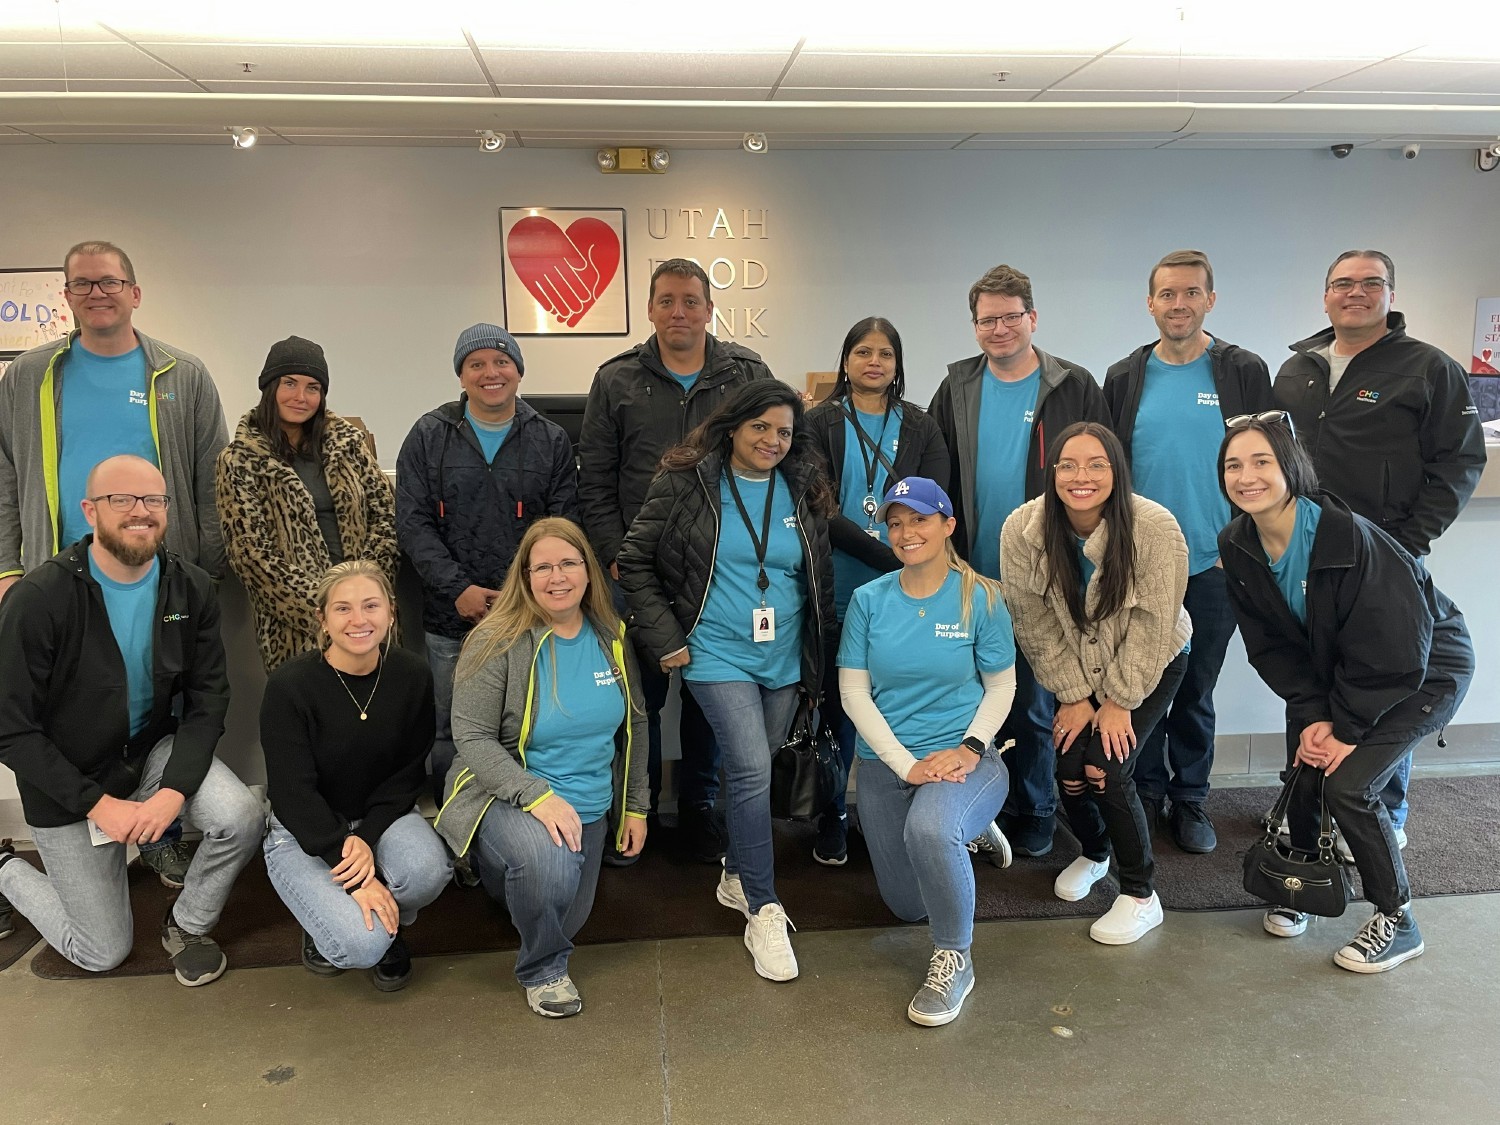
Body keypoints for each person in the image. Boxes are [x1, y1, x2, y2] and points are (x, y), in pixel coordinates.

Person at [0, 239, 230, 889]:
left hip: (158, 578)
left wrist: (204, 570)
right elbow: (5, 473)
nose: (96, 293)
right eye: (82, 284)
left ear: (135, 292)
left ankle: (162, 836)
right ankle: (86, 834)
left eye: (109, 282)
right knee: (67, 715)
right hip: (59, 580)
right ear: (66, 297)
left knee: (162, 709)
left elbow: (213, 482)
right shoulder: (28, 376)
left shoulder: (182, 374)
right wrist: (7, 568)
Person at [1217, 414, 1472, 972]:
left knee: (1350, 786)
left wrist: (1347, 728)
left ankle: (1398, 920)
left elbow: (1398, 649)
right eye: (1234, 465)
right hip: (1338, 673)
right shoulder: (1238, 544)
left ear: (1290, 467)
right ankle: (1301, 880)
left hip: (1423, 670)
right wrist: (1313, 714)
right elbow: (1271, 646)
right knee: (1305, 763)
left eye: (1262, 461)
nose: (1246, 476)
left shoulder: (1345, 535)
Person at [0, 455, 262, 985]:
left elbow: (207, 700)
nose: (140, 512)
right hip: (71, 781)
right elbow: (10, 729)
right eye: (122, 500)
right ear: (90, 511)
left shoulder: (189, 588)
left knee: (241, 815)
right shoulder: (39, 599)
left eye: (153, 500)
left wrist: (172, 792)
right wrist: (99, 806)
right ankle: (4, 869)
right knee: (100, 951)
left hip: (148, 754)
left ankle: (188, 923)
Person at [617, 380, 834, 983]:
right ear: (734, 425)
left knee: (754, 766)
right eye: (760, 426)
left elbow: (817, 580)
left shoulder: (802, 488)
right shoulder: (688, 482)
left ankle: (736, 876)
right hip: (714, 652)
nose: (772, 440)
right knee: (748, 768)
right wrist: (668, 640)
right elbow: (634, 560)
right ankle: (763, 907)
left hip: (784, 655)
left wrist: (817, 658)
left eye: (784, 431)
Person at [1274, 250, 1484, 845]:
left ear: (1391, 294)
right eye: (1343, 283)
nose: (1355, 293)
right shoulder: (1298, 369)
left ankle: (1382, 812)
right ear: (1325, 295)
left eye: (1371, 283)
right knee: (1316, 684)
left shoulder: (1428, 368)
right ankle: (1308, 813)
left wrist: (1407, 543)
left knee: (1389, 681)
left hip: (1388, 559)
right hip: (1308, 555)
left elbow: (1462, 461)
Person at [578, 258, 773, 864]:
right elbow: (595, 482)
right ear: (651, 310)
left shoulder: (745, 374)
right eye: (667, 301)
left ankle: (698, 811)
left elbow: (775, 457)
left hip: (723, 574)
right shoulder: (616, 381)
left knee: (713, 698)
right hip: (640, 576)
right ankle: (629, 814)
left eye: (691, 301)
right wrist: (613, 556)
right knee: (636, 701)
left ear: (710, 310)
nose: (679, 312)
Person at [929, 263, 1110, 859]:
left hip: (1046, 575)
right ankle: (981, 809)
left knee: (1034, 706)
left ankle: (1035, 810)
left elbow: (1102, 472)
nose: (1000, 328)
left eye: (1011, 317)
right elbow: (936, 475)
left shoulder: (1073, 386)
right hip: (972, 575)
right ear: (975, 326)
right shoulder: (956, 387)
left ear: (1032, 318)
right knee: (974, 701)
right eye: (988, 319)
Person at [436, 518, 647, 1017]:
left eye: (569, 563)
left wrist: (635, 806)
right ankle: (544, 969)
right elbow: (472, 737)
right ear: (525, 576)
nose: (558, 576)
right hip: (507, 793)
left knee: (568, 914)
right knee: (546, 867)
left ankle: (518, 882)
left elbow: (635, 726)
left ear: (589, 572)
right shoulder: (496, 640)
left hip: (589, 803)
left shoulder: (611, 636)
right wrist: (536, 796)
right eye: (543, 566)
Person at [1103, 249, 1274, 854]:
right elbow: (1108, 473)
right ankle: (1144, 793)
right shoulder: (1125, 377)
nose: (1179, 304)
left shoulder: (1243, 371)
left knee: (1196, 687)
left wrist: (1244, 547)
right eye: (1167, 294)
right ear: (1150, 303)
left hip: (1214, 563)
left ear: (1211, 299)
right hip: (1140, 566)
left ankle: (1191, 799)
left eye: (1191, 293)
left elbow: (1269, 468)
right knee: (1140, 684)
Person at [1000, 422, 1191, 945]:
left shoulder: (1154, 526)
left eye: (1096, 464)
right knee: (1067, 765)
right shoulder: (1023, 528)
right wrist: (1074, 696)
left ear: (1116, 470)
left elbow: (1154, 625)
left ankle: (1140, 894)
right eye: (1068, 465)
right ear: (1052, 471)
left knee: (1106, 766)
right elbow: (1031, 621)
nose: (1080, 476)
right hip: (1076, 673)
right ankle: (1095, 851)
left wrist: (1118, 702)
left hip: (1150, 663)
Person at [837, 476, 1016, 1026]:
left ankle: (954, 957)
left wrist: (968, 748)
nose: (906, 532)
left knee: (930, 832)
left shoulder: (981, 596)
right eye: (895, 522)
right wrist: (904, 766)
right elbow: (853, 692)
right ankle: (963, 830)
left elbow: (1002, 687)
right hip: (888, 763)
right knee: (906, 904)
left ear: (947, 525)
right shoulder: (870, 600)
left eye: (918, 519)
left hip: (964, 760)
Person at [396, 323, 578, 803]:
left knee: (527, 723)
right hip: (450, 617)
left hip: (530, 616)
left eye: (501, 361)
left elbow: (560, 529)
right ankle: (459, 837)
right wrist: (458, 590)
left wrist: (523, 594)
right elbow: (412, 524)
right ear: (461, 375)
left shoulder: (551, 439)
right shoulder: (429, 435)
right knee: (452, 729)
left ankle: (519, 819)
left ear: (519, 371)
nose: (490, 372)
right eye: (476, 363)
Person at [260, 560, 452, 992]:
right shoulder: (290, 686)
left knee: (428, 873)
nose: (359, 619)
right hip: (306, 830)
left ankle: (379, 914)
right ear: (322, 619)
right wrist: (348, 863)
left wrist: (366, 836)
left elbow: (406, 774)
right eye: (343, 609)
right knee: (360, 946)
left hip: (377, 820)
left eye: (371, 605)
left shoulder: (412, 674)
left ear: (390, 613)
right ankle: (344, 916)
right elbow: (292, 792)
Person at [805, 317, 951, 866]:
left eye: (885, 354)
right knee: (839, 708)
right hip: (835, 588)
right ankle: (833, 815)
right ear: (845, 360)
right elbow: (820, 504)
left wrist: (905, 553)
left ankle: (902, 808)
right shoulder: (816, 422)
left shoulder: (920, 425)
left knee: (903, 700)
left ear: (897, 365)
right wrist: (888, 552)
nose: (874, 362)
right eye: (862, 352)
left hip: (908, 593)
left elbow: (937, 499)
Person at [217, 336, 399, 671]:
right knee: (308, 715)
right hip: (295, 626)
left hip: (367, 623)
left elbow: (385, 517)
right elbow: (249, 552)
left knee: (376, 714)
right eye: (290, 383)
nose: (301, 397)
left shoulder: (349, 446)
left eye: (313, 387)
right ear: (269, 387)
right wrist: (324, 611)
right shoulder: (240, 459)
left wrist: (365, 598)